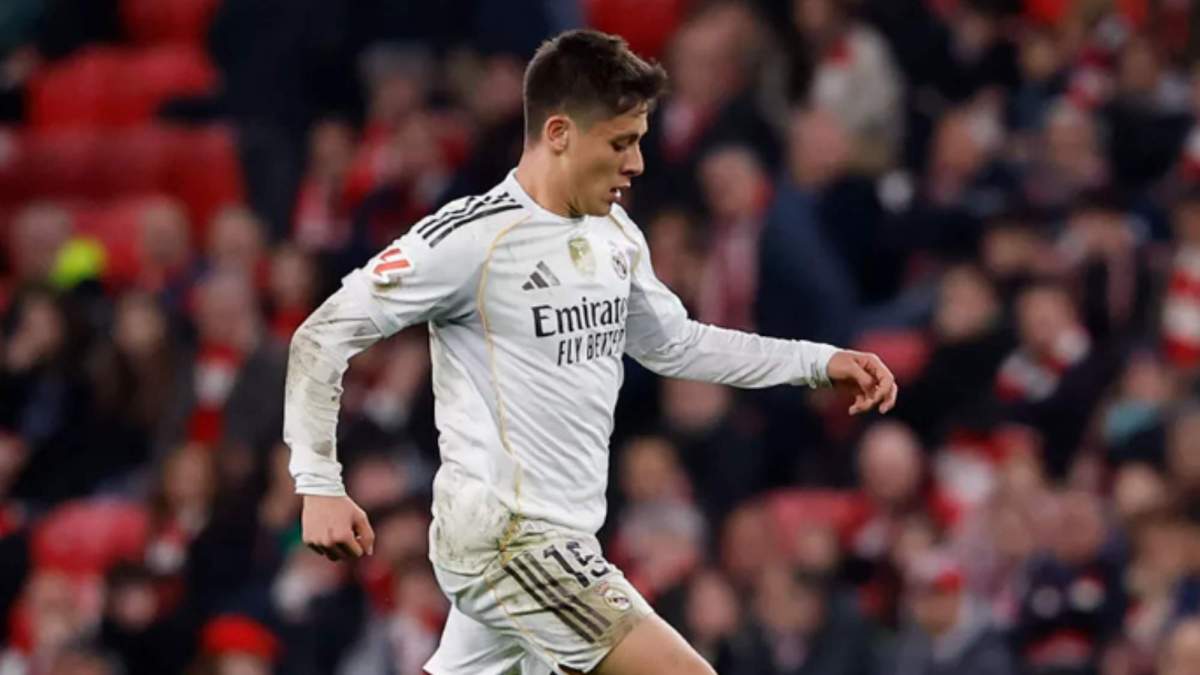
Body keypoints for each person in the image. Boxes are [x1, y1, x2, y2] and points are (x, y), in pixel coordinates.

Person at [283, 29, 899, 675]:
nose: (636, 165)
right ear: (558, 134)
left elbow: (674, 342)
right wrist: (319, 484)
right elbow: (323, 334)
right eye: (621, 143)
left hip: (565, 533)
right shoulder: (471, 239)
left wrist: (816, 361)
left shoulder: (613, 231)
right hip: (510, 541)